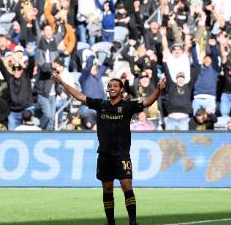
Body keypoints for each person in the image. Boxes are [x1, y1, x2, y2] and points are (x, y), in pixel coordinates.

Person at [52, 73, 166, 225]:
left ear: (121, 90)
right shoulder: (101, 105)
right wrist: (61, 82)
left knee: (127, 186)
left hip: (122, 155)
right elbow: (79, 96)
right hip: (104, 155)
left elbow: (146, 103)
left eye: (115, 86)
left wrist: (158, 90)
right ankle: (110, 222)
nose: (112, 88)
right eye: (110, 86)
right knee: (107, 189)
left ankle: (133, 221)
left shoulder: (127, 106)